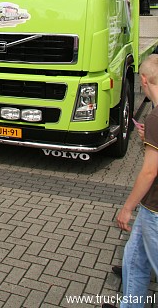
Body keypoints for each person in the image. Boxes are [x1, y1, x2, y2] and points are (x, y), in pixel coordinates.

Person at [102, 54, 158, 308]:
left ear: (143, 80)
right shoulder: (154, 119)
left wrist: (127, 208)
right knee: (135, 259)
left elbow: (149, 172)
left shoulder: (156, 118)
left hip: (154, 208)